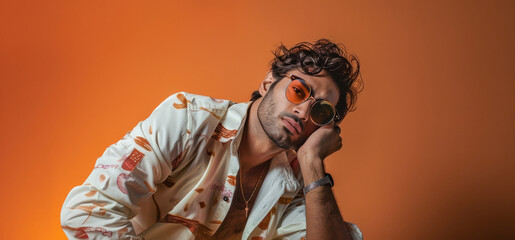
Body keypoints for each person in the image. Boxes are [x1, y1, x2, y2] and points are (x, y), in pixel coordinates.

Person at [61, 39, 364, 240]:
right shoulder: (188, 120)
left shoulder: (299, 182)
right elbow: (88, 211)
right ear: (269, 80)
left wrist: (312, 163)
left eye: (321, 111)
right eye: (299, 90)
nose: (303, 110)